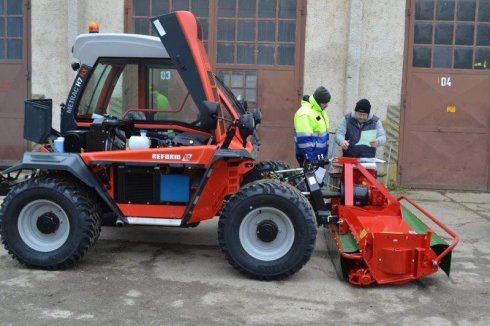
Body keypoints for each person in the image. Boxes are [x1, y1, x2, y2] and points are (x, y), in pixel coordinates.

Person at [293, 86, 331, 166]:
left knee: (318, 178)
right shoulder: (304, 114)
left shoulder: (320, 110)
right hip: (310, 158)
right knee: (309, 179)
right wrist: (310, 159)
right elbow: (304, 140)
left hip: (318, 157)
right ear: (318, 101)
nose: (327, 105)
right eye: (325, 103)